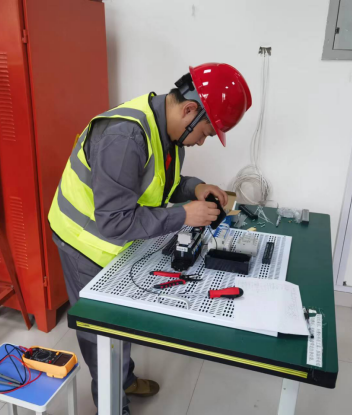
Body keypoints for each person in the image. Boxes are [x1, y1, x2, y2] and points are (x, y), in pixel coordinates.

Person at [48, 62, 252, 413]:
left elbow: (160, 183)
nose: (202, 141)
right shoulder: (124, 138)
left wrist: (195, 187)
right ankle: (113, 404)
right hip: (82, 240)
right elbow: (114, 222)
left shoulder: (168, 133)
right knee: (101, 333)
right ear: (189, 110)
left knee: (120, 320)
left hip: (114, 240)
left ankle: (124, 378)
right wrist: (184, 215)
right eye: (205, 133)